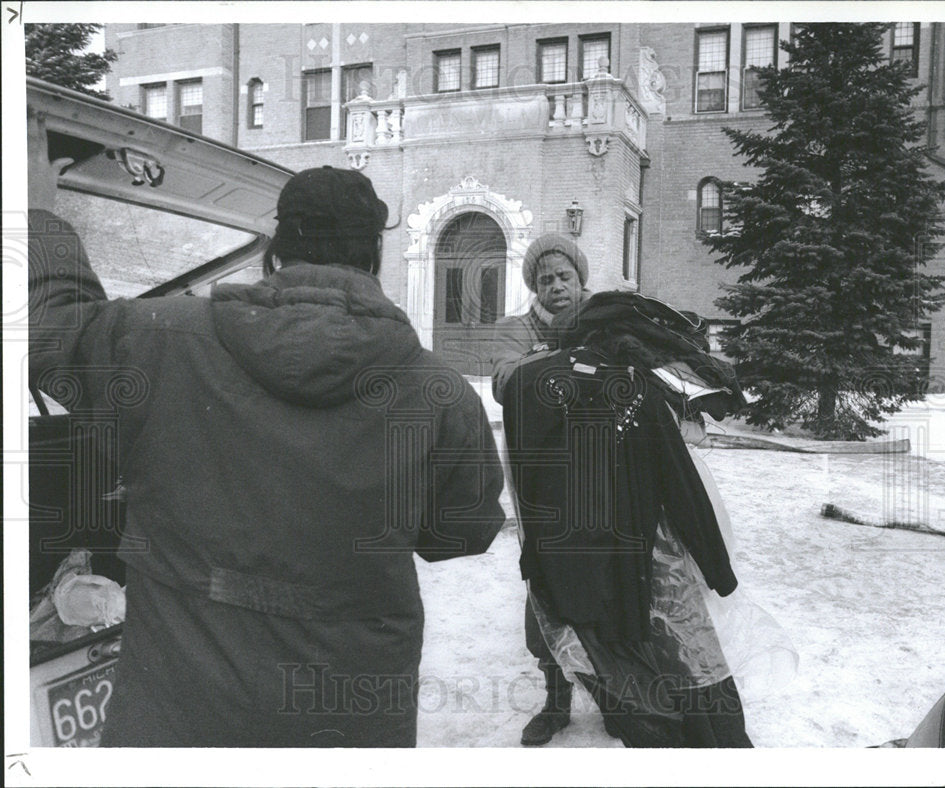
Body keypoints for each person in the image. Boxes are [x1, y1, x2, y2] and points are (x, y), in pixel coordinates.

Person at [27, 111, 506, 747]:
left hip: (181, 715)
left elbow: (49, 334)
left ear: (276, 250)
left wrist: (38, 215)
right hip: (350, 721)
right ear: (375, 255)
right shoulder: (439, 391)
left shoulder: (159, 342)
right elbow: (461, 535)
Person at [502, 291, 760, 747]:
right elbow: (681, 485)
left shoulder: (535, 385)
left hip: (567, 559)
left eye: (564, 275)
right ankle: (682, 735)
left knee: (612, 653)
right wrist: (718, 570)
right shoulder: (634, 388)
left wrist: (534, 559)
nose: (556, 284)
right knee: (670, 647)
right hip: (634, 557)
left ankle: (645, 724)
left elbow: (526, 488)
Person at [490, 232, 588, 746]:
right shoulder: (514, 329)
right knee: (546, 585)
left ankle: (616, 694)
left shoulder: (604, 319)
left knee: (611, 581)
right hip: (541, 480)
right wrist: (569, 362)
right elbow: (505, 381)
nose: (555, 286)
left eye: (563, 276)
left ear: (580, 279)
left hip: (602, 476)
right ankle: (556, 703)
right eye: (544, 279)